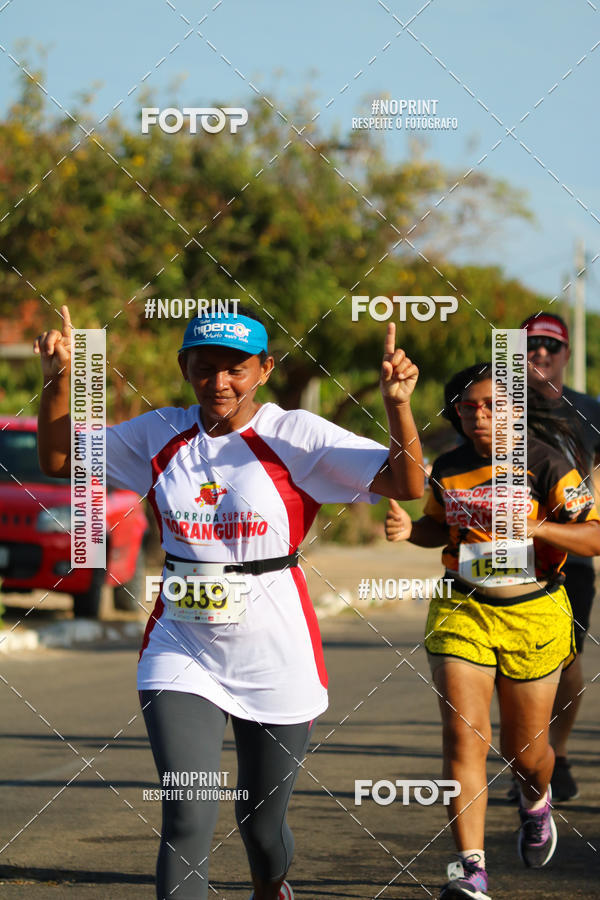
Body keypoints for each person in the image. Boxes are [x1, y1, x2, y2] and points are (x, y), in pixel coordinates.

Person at [34, 303, 424, 900]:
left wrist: (398, 405)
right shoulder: (159, 432)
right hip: (180, 644)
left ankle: (272, 886)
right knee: (187, 815)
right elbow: (60, 460)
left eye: (236, 369)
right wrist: (59, 379)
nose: (220, 382)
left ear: (264, 370)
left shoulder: (298, 436)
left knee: (260, 824)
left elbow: (407, 485)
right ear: (184, 367)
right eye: (205, 367)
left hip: (276, 647)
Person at [385, 362, 600, 900]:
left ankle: (535, 800)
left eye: (491, 405)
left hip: (534, 613)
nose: (479, 417)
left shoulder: (546, 464)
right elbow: (439, 527)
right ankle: (470, 868)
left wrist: (540, 526)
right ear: (456, 414)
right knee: (464, 739)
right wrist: (412, 530)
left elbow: (594, 537)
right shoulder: (450, 466)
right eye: (467, 407)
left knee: (526, 753)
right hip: (463, 610)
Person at [521, 312, 600, 800]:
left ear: (567, 353)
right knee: (509, 665)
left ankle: (560, 752)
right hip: (506, 552)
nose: (543, 354)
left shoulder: (592, 410)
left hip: (572, 555)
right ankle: (527, 760)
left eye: (552, 345)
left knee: (567, 660)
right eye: (532, 346)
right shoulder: (498, 406)